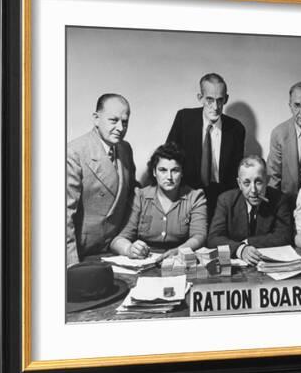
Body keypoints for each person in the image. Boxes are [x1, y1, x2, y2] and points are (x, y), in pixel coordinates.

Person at [66, 94, 136, 268]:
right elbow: (64, 217)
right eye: (113, 120)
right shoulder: (73, 152)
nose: (120, 128)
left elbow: (130, 198)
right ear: (96, 119)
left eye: (125, 122)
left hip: (114, 250)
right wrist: (72, 267)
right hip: (82, 254)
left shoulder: (125, 149)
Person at [166, 73, 245, 221]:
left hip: (221, 198)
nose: (215, 107)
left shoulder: (236, 129)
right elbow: (168, 158)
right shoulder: (184, 119)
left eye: (220, 100)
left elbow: (237, 173)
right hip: (187, 195)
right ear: (200, 98)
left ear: (226, 99)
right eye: (210, 100)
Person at [111, 142, 207, 259]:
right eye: (163, 170)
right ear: (154, 172)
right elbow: (118, 240)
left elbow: (199, 236)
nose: (169, 177)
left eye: (175, 170)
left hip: (180, 259)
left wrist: (179, 251)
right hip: (145, 261)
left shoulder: (195, 197)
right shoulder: (140, 196)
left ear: (182, 173)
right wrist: (129, 249)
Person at [208, 155, 293, 265]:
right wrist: (240, 249)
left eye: (258, 182)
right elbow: (214, 238)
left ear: (267, 180)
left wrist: (248, 243)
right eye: (246, 183)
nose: (253, 190)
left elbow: (284, 236)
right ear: (239, 184)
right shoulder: (226, 200)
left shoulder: (279, 200)